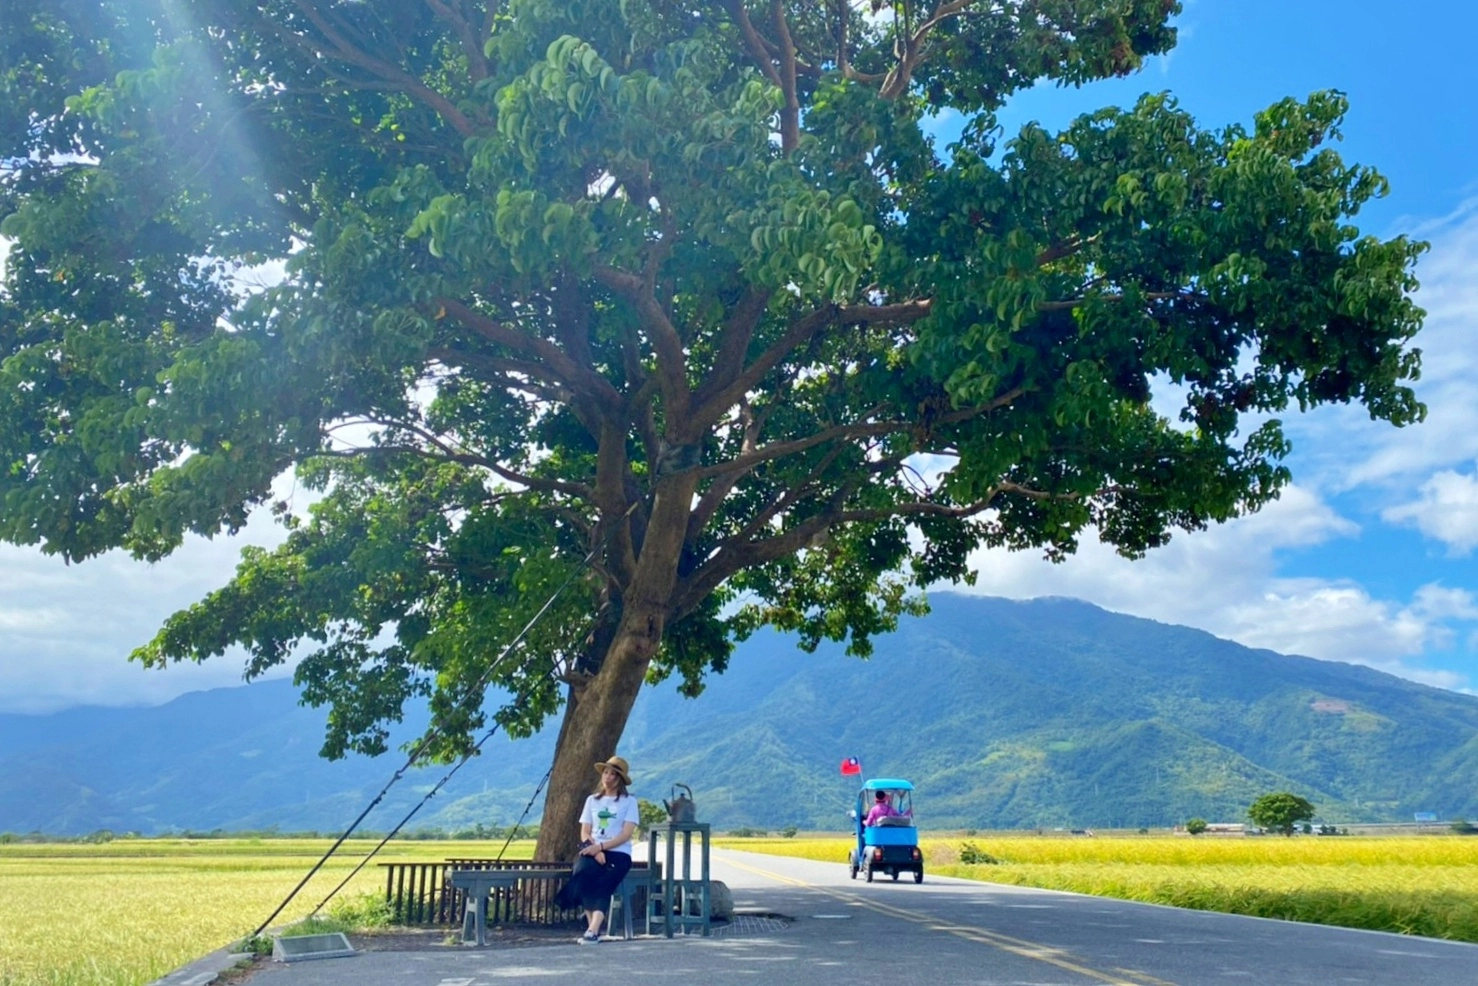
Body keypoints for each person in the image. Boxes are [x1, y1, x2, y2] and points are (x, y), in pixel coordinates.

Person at [553, 755, 640, 943]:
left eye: (613, 775)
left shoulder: (628, 802)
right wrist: (595, 850)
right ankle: (593, 929)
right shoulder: (592, 800)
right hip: (592, 849)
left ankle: (593, 929)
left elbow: (626, 834)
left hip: (618, 852)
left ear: (619, 780)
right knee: (582, 872)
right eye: (606, 773)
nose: (608, 777)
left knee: (603, 882)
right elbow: (585, 831)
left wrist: (602, 847)